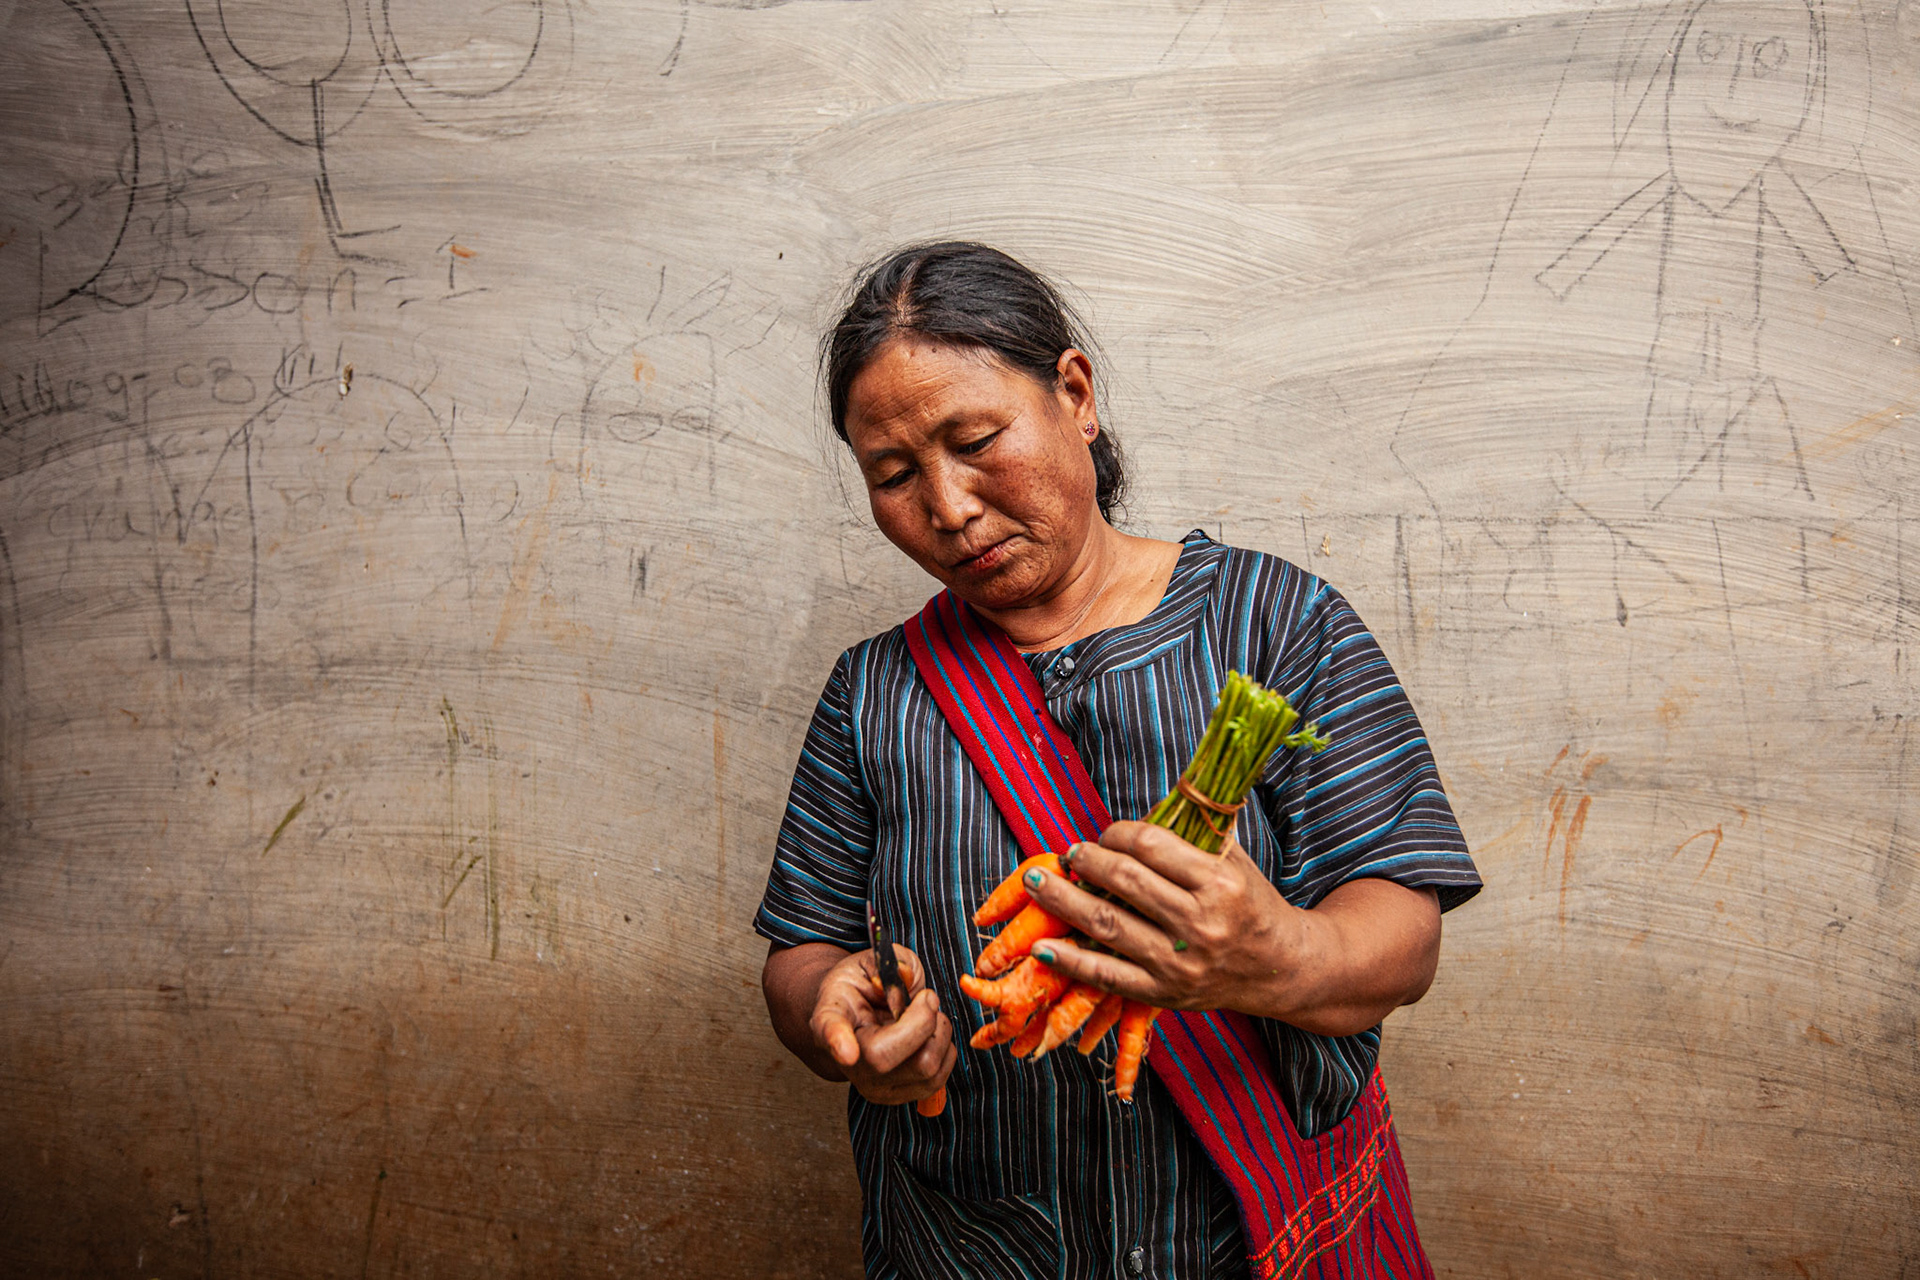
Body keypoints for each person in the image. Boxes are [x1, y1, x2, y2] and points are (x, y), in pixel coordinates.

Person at [755, 242, 1481, 1279]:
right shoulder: (873, 694)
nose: (950, 507)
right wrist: (843, 1013)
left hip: (1259, 1240)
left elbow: (1402, 934)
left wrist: (1273, 955)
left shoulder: (1277, 626)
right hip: (971, 1247)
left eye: (977, 439)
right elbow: (801, 952)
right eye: (895, 474)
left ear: (1076, 394)